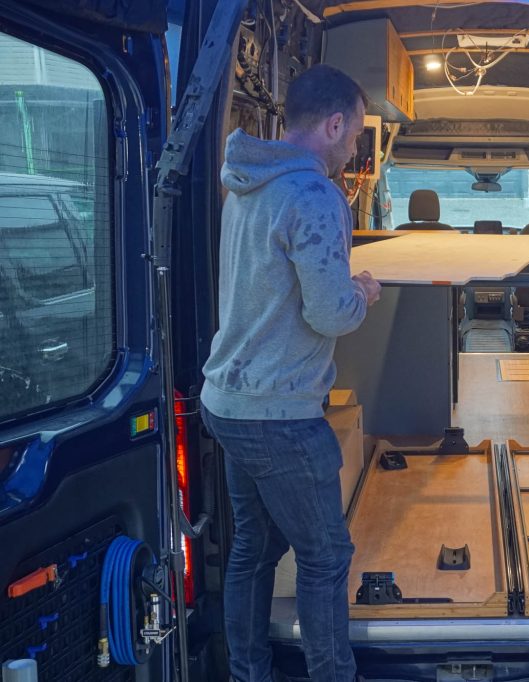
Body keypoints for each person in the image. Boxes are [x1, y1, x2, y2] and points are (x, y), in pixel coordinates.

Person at [200, 64, 381, 682]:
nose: (354, 148)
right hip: (280, 415)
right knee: (325, 554)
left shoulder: (246, 184)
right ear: (333, 124)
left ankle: (249, 673)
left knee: (253, 549)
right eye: (355, 134)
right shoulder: (313, 195)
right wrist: (362, 292)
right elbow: (330, 314)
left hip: (229, 402)